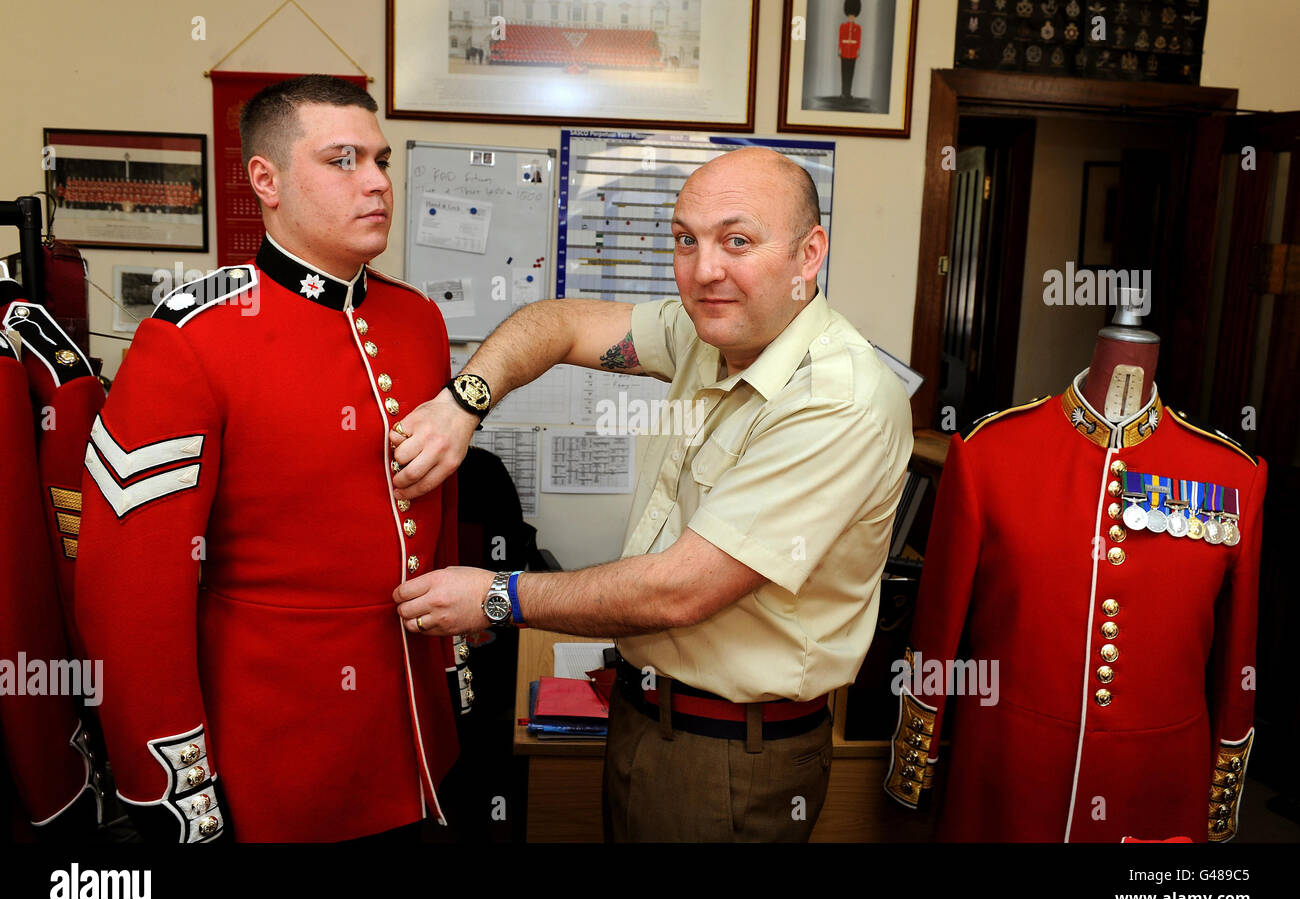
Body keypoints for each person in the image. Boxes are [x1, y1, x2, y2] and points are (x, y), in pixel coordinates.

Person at [388, 146, 913, 842]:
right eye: (684, 240)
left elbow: (680, 590)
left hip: (729, 756)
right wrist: (463, 402)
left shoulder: (837, 400)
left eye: (737, 240)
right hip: (647, 717)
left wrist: (495, 594)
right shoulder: (708, 333)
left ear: (809, 254)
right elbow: (561, 323)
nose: (704, 271)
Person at [74, 75, 465, 843]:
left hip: (414, 744)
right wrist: (172, 783)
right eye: (344, 160)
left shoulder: (417, 321)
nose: (378, 181)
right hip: (275, 764)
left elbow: (429, 532)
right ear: (266, 179)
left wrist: (450, 683)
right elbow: (131, 599)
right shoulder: (192, 338)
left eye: (381, 160)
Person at [839, 1, 863, 100]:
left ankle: (848, 93)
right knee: (844, 73)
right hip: (844, 52)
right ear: (847, 15)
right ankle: (843, 93)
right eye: (850, 16)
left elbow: (858, 41)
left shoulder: (858, 28)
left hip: (852, 53)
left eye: (853, 16)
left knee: (851, 73)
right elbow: (840, 39)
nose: (851, 18)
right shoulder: (843, 27)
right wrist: (840, 50)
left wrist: (857, 51)